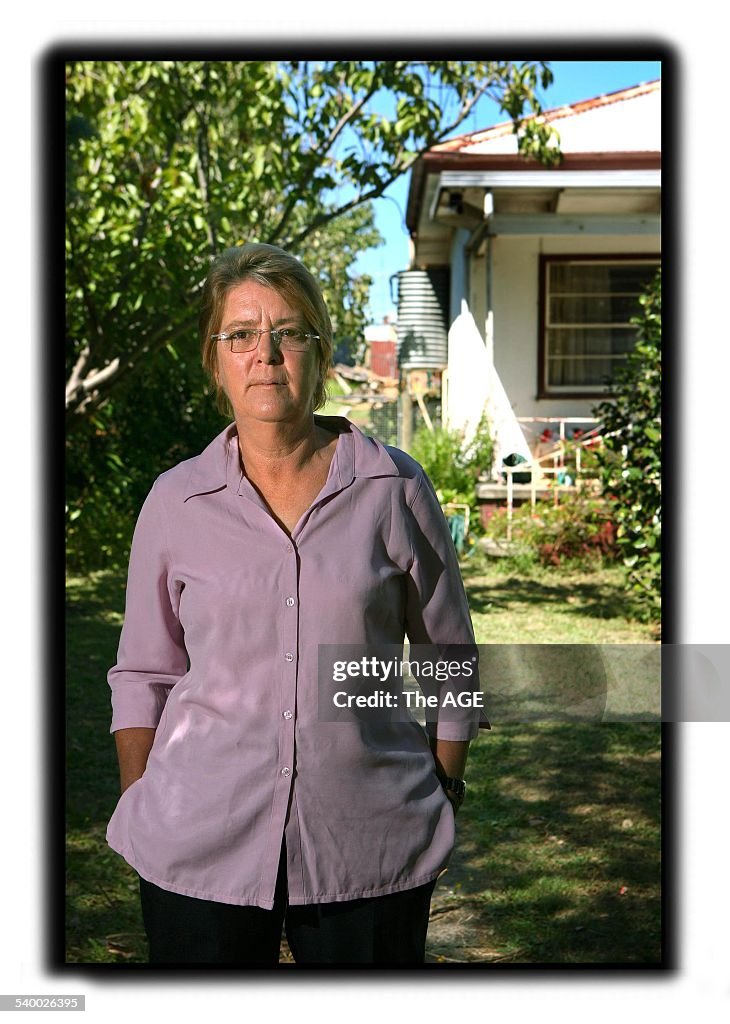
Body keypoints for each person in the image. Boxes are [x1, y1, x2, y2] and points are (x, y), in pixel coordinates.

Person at [106, 242, 487, 966]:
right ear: (215, 359)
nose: (266, 353)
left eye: (289, 332)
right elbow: (143, 674)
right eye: (242, 334)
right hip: (197, 843)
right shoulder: (174, 502)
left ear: (319, 349)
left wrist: (446, 780)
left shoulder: (394, 490)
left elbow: (449, 655)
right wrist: (139, 797)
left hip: (370, 841)